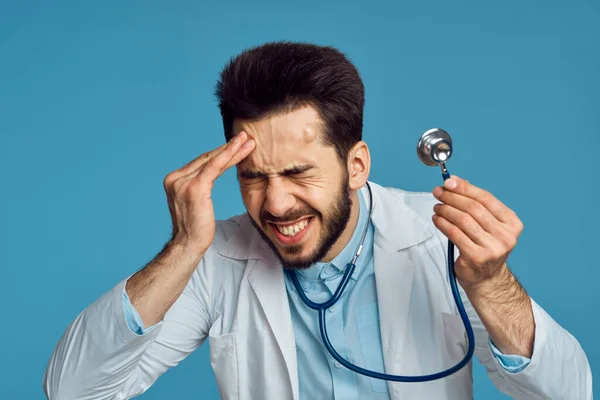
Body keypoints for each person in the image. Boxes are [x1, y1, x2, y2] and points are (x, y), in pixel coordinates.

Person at [43, 41, 592, 400]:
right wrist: (183, 248)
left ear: (356, 165)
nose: (276, 205)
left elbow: (569, 392)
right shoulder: (217, 257)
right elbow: (71, 391)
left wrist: (494, 288)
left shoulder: (437, 236)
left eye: (298, 173)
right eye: (253, 177)